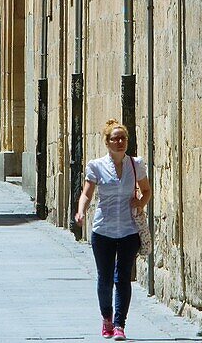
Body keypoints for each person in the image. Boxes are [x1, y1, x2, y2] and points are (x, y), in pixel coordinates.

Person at [74, 120, 152, 341]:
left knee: (123, 277)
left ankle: (119, 325)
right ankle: (106, 318)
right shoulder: (97, 166)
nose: (120, 142)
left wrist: (140, 203)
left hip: (129, 230)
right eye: (115, 139)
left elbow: (146, 191)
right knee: (105, 278)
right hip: (103, 230)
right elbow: (87, 194)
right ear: (107, 142)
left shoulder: (136, 165)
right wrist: (81, 211)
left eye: (123, 138)